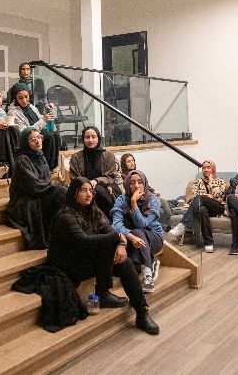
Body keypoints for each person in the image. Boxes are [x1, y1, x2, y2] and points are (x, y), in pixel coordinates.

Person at [47, 177, 159, 334]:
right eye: (83, 190)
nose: (89, 194)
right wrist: (117, 238)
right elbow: (84, 242)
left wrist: (121, 244)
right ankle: (103, 293)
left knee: (125, 263)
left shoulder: (93, 210)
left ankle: (142, 312)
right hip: (69, 265)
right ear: (74, 193)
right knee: (106, 245)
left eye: (91, 191)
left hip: (89, 259)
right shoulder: (65, 216)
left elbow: (109, 229)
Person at [7, 127, 67, 249]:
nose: (38, 141)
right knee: (61, 192)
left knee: (64, 193)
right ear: (25, 143)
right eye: (33, 140)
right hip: (24, 200)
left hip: (40, 193)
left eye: (39, 137)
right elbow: (34, 186)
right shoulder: (22, 160)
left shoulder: (40, 155)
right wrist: (55, 188)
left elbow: (45, 182)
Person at [111, 170, 164, 294]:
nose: (136, 186)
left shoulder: (153, 200)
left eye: (140, 182)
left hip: (154, 238)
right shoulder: (122, 199)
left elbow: (143, 224)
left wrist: (134, 203)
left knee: (139, 231)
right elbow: (116, 224)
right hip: (131, 239)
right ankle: (152, 263)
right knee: (133, 267)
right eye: (132, 183)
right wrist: (130, 237)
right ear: (127, 185)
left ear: (144, 184)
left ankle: (148, 277)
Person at [167, 160, 229, 253]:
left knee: (201, 198)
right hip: (202, 206)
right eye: (204, 168)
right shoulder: (197, 182)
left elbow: (217, 195)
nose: (206, 169)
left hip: (217, 208)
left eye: (209, 167)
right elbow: (195, 197)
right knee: (202, 209)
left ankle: (183, 225)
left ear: (213, 169)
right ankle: (209, 243)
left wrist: (211, 180)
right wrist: (206, 197)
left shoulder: (221, 181)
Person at [69, 126, 120, 219]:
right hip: (83, 188)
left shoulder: (108, 155)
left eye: (93, 137)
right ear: (83, 139)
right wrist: (88, 184)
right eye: (87, 137)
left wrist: (96, 181)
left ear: (98, 138)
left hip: (106, 186)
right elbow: (75, 177)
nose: (90, 140)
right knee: (97, 191)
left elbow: (111, 175)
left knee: (100, 190)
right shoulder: (76, 157)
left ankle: (113, 220)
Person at [7, 83, 61, 170]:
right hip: (28, 138)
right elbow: (25, 132)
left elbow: (41, 119)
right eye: (20, 98)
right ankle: (45, 166)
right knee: (49, 136)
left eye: (26, 97)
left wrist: (47, 112)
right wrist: (43, 120)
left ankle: (53, 165)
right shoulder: (12, 112)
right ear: (15, 98)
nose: (24, 100)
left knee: (55, 134)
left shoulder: (31, 107)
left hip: (37, 132)